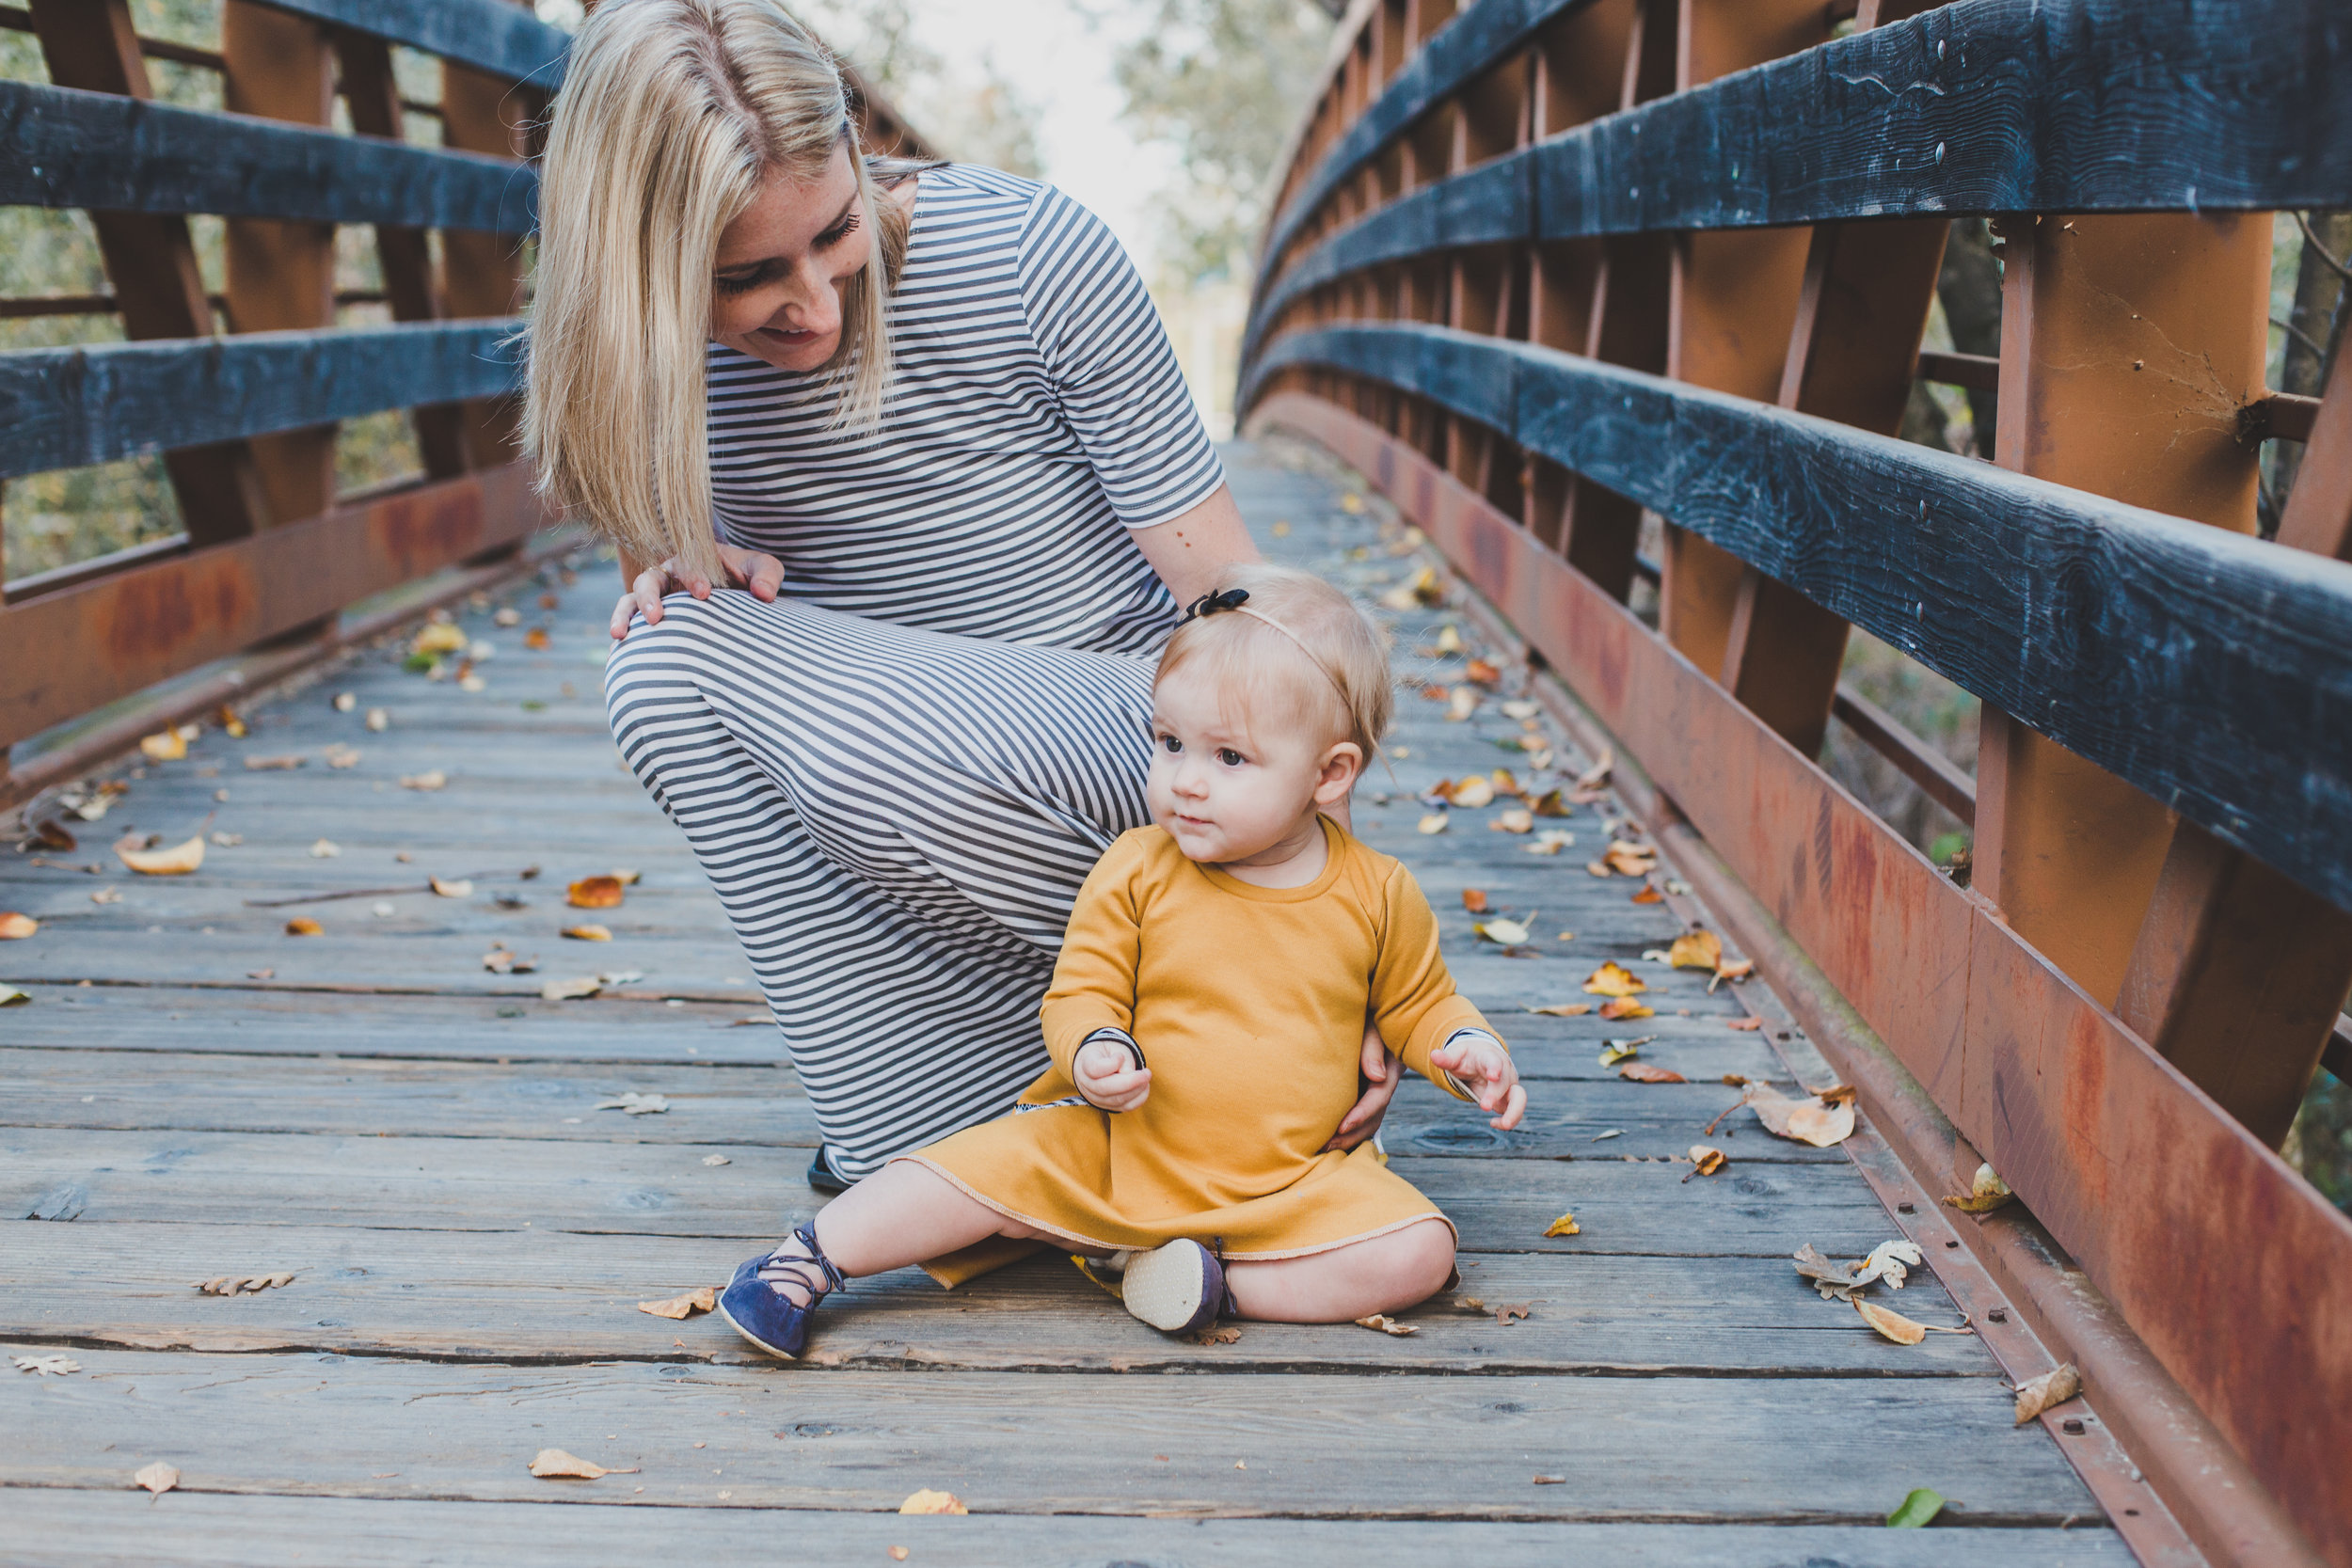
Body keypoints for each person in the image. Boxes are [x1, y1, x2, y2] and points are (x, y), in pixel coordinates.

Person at [522, 0, 1412, 1230]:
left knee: (775, 706)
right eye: (747, 279)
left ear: (855, 150)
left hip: (1134, 752)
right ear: (644, 268)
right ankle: (996, 1120)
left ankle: (1212, 1048)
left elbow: (1245, 622)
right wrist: (694, 561)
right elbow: (703, 627)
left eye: (833, 233)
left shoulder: (1031, 255)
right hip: (892, 781)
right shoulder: (642, 367)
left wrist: (1340, 945)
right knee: (662, 664)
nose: (816, 308)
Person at [716, 566, 1527, 1357]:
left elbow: (1422, 1004)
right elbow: (1081, 991)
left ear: (1330, 774)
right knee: (969, 1166)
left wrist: (1465, 1050)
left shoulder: (1379, 891)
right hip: (1119, 1145)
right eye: (1170, 743)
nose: (1186, 783)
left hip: (1289, 1179)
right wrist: (1096, 1045)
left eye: (1229, 758)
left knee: (1421, 1249)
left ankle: (1204, 1282)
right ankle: (804, 1263)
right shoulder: (1139, 866)